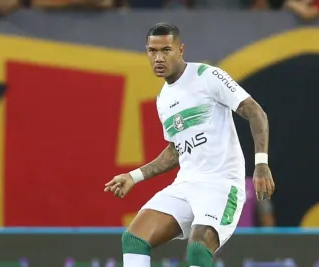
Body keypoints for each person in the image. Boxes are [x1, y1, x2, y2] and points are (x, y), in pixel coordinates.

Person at [104, 22, 275, 267]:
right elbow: (175, 150)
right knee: (134, 238)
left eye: (166, 50)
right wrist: (134, 176)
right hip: (186, 184)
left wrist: (261, 164)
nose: (158, 58)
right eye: (152, 51)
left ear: (180, 49)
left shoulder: (208, 76)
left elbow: (255, 112)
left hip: (221, 185)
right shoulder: (163, 98)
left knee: (197, 248)